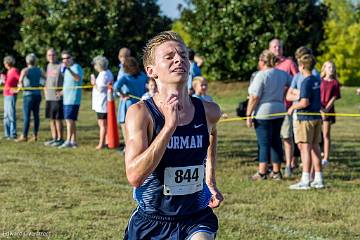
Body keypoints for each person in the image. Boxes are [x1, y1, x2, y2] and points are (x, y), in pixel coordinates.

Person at [123, 31, 223, 240]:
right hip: (152, 220)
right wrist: (169, 127)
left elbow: (212, 133)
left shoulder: (209, 111)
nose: (179, 59)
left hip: (196, 218)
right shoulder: (141, 113)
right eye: (169, 57)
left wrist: (210, 180)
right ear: (151, 71)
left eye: (183, 55)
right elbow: (134, 176)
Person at [246, 49, 291, 180]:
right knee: (276, 141)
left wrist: (248, 114)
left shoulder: (261, 75)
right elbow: (292, 84)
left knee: (264, 143)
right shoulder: (282, 74)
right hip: (279, 110)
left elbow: (254, 97)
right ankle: (277, 172)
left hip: (263, 113)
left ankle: (262, 172)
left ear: (263, 61)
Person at [288, 54, 324, 190]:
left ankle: (305, 180)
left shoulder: (305, 82)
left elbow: (304, 102)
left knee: (305, 148)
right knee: (315, 147)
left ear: (302, 66)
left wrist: (292, 107)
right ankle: (318, 179)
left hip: (305, 119)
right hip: (316, 118)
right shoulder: (316, 79)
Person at [269, 38, 299, 175]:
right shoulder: (266, 65)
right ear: (269, 49)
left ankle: (288, 165)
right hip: (269, 108)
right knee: (271, 138)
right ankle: (273, 165)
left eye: (279, 47)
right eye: (274, 47)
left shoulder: (288, 63)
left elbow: (297, 81)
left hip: (285, 106)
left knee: (286, 137)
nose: (277, 49)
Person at [113, 56, 147, 146]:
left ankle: (127, 147)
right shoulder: (143, 76)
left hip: (129, 104)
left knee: (126, 127)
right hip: (142, 103)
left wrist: (122, 94)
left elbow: (115, 87)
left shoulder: (125, 77)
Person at [58, 50, 83, 149]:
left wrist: (68, 69)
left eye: (67, 58)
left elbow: (77, 78)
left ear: (72, 58)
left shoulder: (76, 67)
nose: (65, 60)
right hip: (66, 99)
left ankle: (68, 140)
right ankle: (73, 141)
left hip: (73, 99)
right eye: (63, 58)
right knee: (70, 120)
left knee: (69, 120)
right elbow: (68, 84)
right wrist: (61, 92)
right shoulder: (66, 69)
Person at [15, 53, 43, 142]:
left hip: (28, 95)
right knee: (36, 116)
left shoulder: (25, 70)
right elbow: (46, 79)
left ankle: (24, 136)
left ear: (27, 61)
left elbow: (20, 81)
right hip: (37, 95)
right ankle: (35, 135)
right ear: (35, 61)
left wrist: (19, 88)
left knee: (27, 116)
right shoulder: (39, 70)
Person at [319, 60, 341, 166]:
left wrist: (326, 110)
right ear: (324, 69)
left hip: (328, 110)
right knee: (316, 135)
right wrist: (320, 109)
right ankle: (318, 154)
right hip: (318, 109)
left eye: (332, 67)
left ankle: (326, 158)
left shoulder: (335, 83)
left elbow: (334, 97)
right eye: (329, 67)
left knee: (326, 134)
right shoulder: (319, 80)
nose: (331, 69)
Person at [91, 56, 114, 149]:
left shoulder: (103, 74)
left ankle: (102, 143)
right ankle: (107, 140)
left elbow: (100, 88)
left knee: (102, 124)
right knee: (103, 124)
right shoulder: (108, 72)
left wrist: (93, 82)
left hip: (102, 103)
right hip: (102, 102)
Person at [43, 48, 65, 147]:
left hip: (57, 97)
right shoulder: (48, 66)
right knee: (51, 119)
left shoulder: (61, 66)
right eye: (49, 55)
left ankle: (60, 138)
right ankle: (54, 138)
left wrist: (63, 91)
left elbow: (67, 79)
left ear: (56, 55)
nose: (51, 57)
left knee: (58, 119)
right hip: (49, 97)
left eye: (53, 55)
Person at [2, 56, 20, 140]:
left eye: (5, 63)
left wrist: (18, 90)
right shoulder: (8, 71)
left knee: (11, 115)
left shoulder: (14, 70)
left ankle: (13, 134)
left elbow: (20, 80)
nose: (4, 64)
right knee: (6, 116)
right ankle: (7, 134)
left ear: (7, 63)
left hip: (11, 96)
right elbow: (8, 83)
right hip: (6, 95)